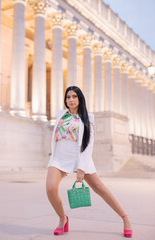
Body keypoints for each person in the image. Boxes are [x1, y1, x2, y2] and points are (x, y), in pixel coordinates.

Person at [46, 86, 133, 237]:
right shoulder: (61, 114)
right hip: (59, 158)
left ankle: (125, 219)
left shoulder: (87, 118)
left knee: (101, 189)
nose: (71, 100)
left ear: (80, 99)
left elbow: (88, 144)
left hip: (79, 158)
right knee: (50, 189)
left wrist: (81, 168)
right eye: (68, 97)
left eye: (74, 96)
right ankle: (63, 219)